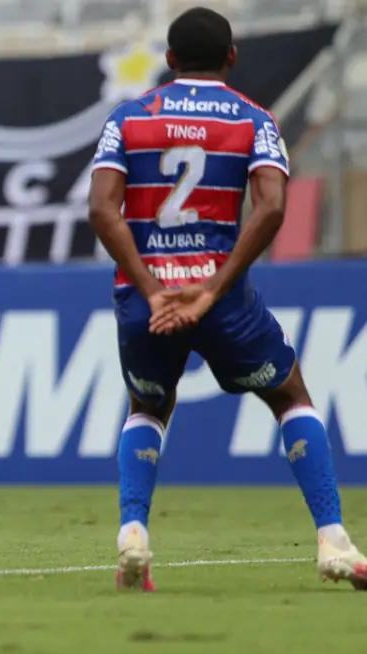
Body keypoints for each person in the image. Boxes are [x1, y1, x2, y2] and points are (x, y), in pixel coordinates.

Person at [88, 6, 367, 592]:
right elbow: (271, 208)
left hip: (148, 300)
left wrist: (153, 289)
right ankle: (334, 539)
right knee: (290, 394)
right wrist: (212, 287)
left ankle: (134, 534)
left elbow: (100, 210)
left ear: (168, 61)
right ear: (232, 58)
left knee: (147, 409)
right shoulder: (253, 120)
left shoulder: (129, 118)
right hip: (222, 300)